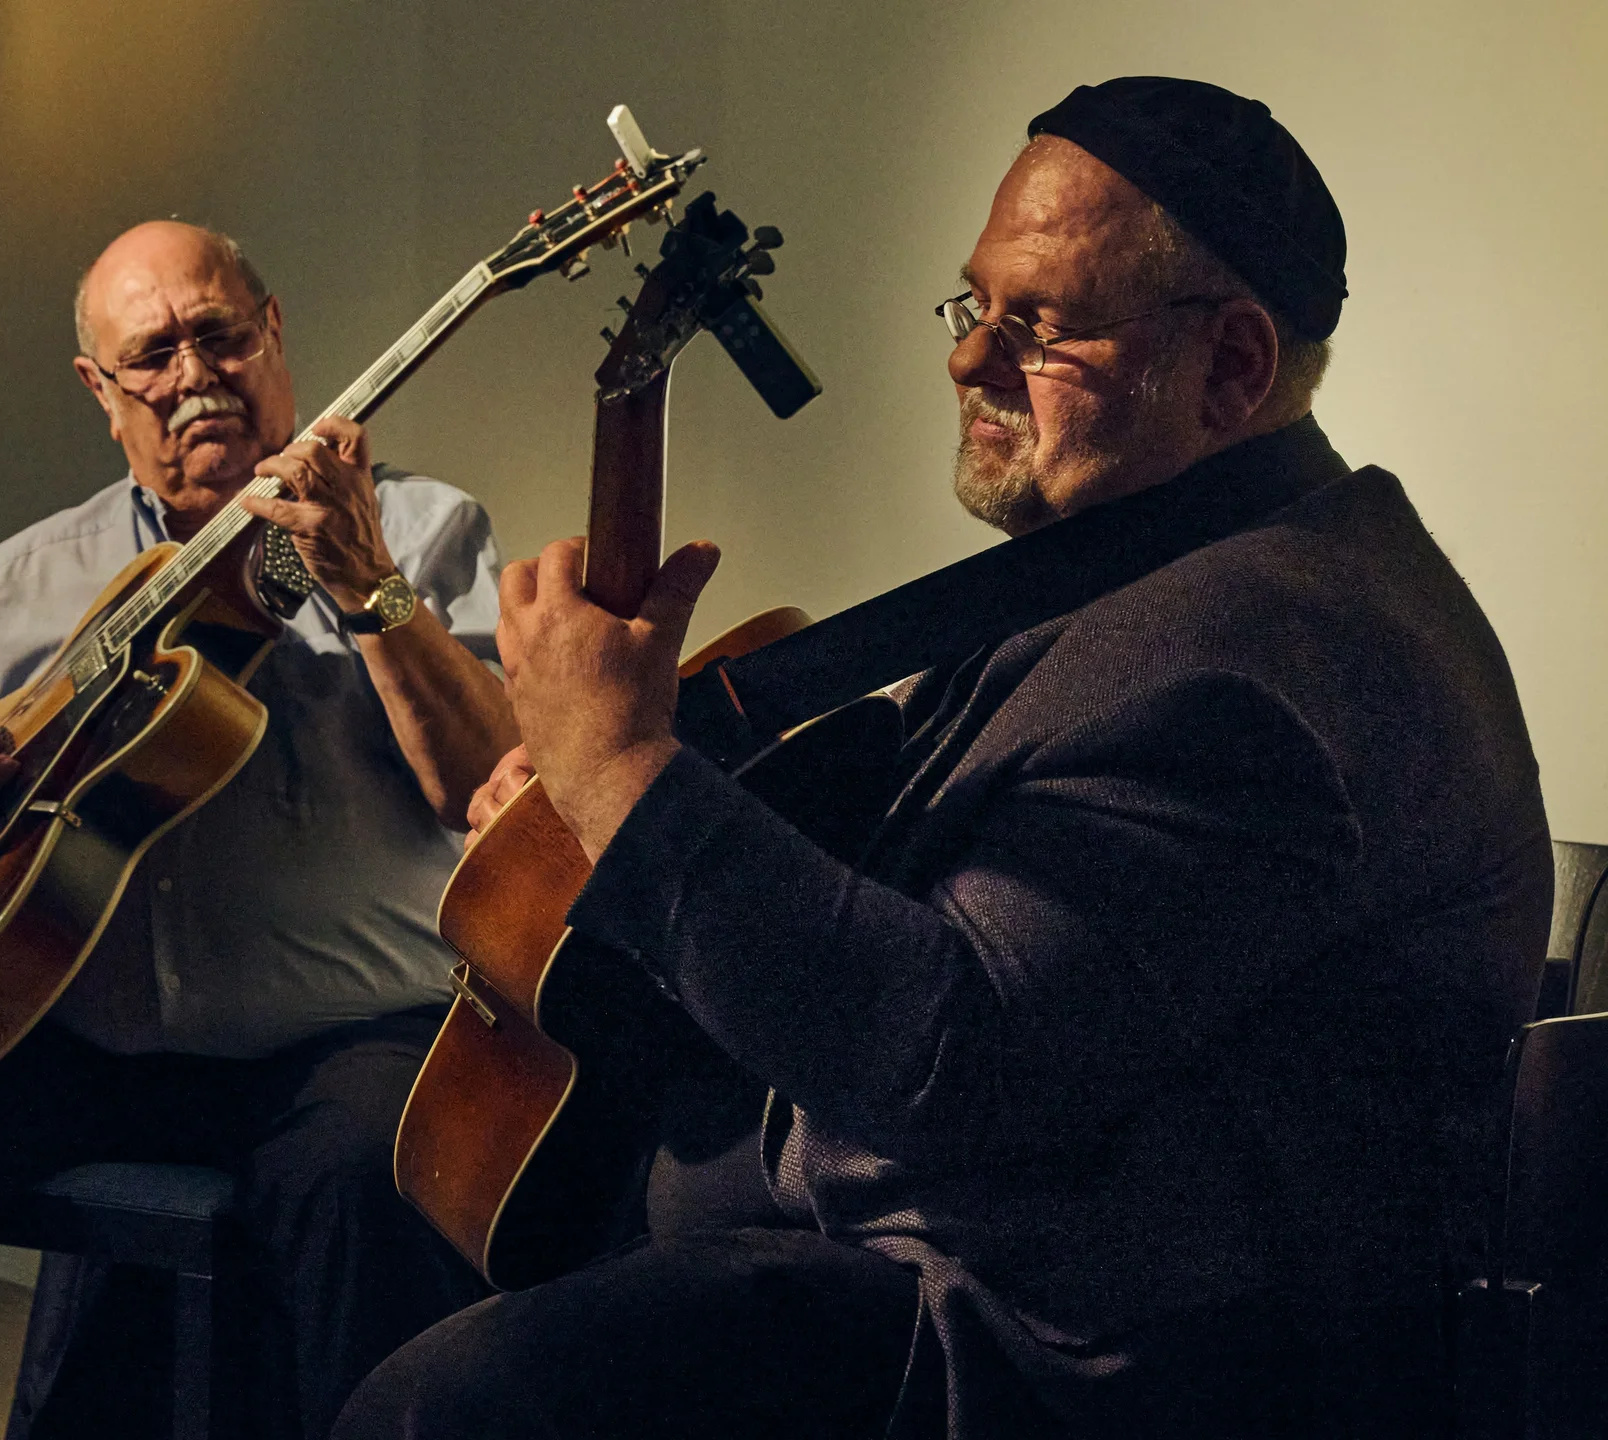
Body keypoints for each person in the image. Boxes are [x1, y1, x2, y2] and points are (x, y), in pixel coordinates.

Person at [332, 78, 1553, 1439]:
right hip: (966, 1259)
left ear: (1233, 369)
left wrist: (619, 770)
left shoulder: (1252, 657)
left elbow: (958, 1062)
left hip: (1056, 1358)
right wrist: (590, 795)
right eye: (975, 307)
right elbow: (956, 899)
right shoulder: (1173, 564)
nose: (971, 361)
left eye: (1042, 324)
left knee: (444, 1403)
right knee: (427, 1220)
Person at [0, 219, 520, 1440]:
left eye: (217, 335)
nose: (193, 376)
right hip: (86, 1052)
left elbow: (489, 789)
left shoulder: (420, 529)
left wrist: (367, 582)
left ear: (273, 335)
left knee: (369, 1179)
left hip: (336, 1046)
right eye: (151, 355)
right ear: (99, 392)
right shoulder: (24, 582)